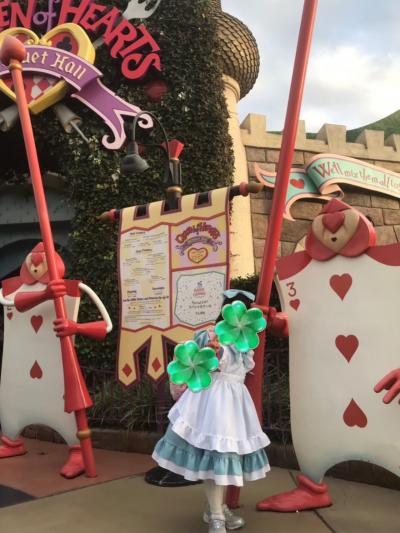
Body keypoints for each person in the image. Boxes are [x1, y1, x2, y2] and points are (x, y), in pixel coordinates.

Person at [152, 289, 270, 533]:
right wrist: (212, 349)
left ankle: (214, 509)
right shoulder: (210, 335)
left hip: (234, 402)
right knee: (217, 457)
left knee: (224, 460)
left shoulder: (246, 340)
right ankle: (216, 516)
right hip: (212, 403)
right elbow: (195, 361)